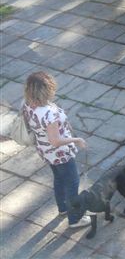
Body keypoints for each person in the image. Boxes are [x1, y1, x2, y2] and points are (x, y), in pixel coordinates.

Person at [21, 71, 91, 229]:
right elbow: (55, 141)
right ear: (46, 89)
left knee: (59, 179)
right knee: (72, 183)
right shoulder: (49, 114)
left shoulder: (27, 104)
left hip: (45, 150)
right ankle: (75, 219)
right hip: (60, 154)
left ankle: (63, 208)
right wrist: (77, 140)